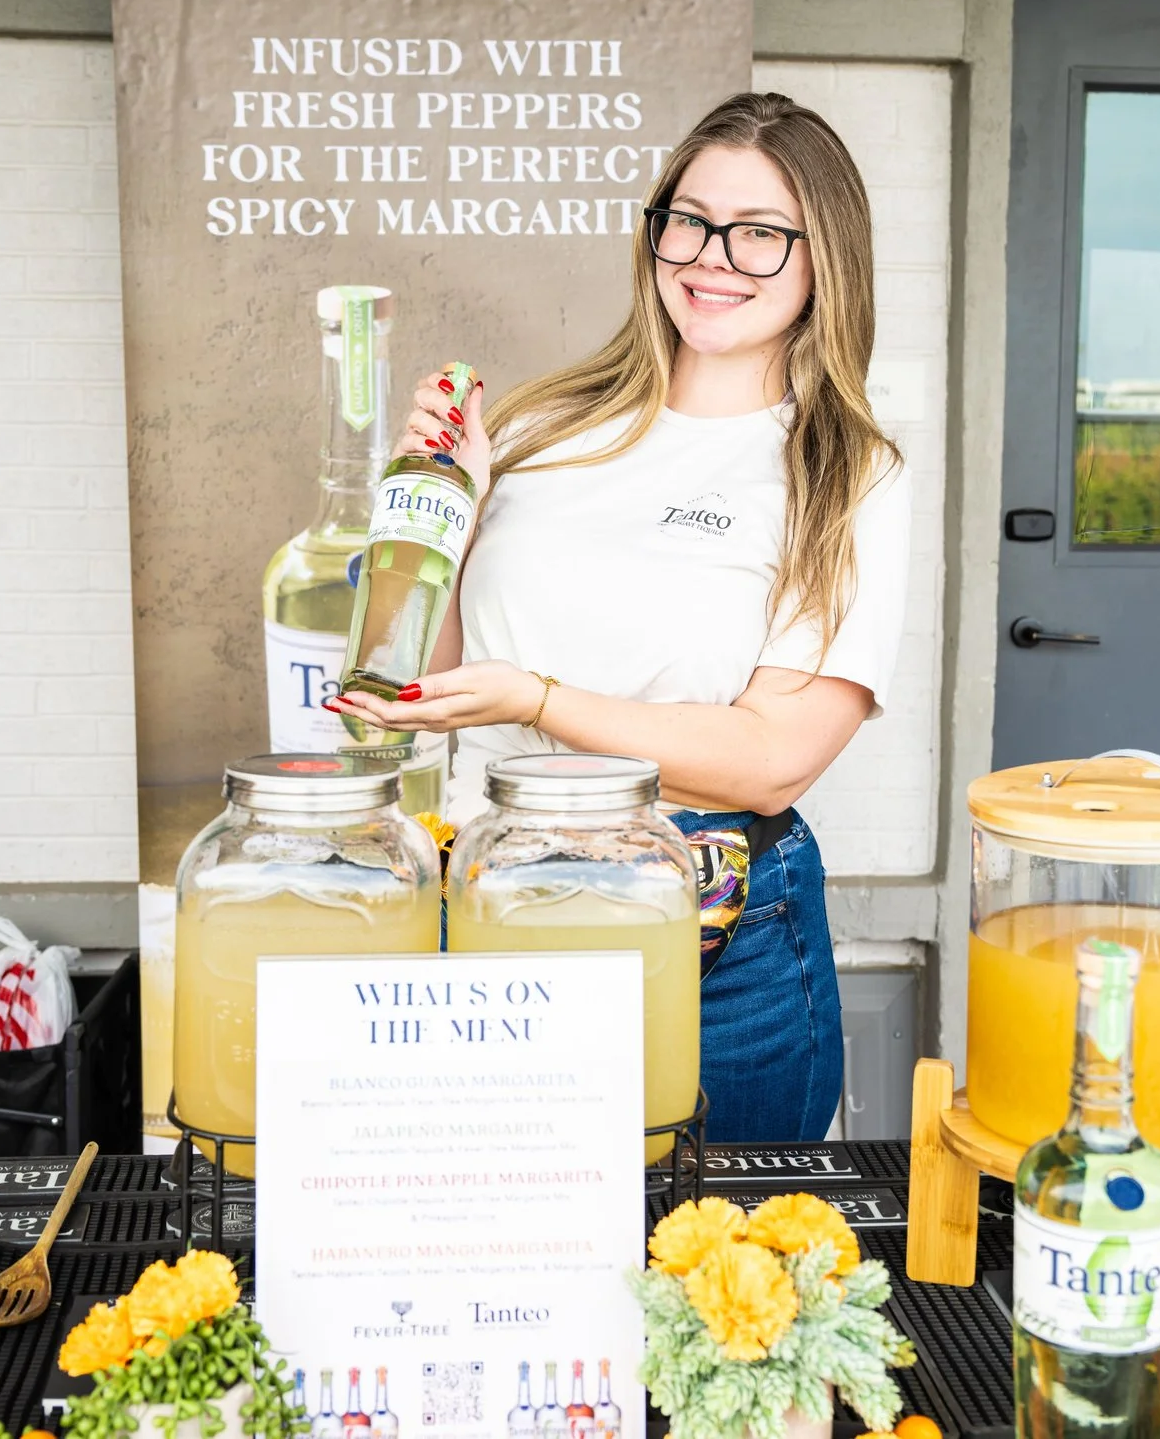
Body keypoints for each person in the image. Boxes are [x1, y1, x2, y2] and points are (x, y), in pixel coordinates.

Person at [328, 91, 913, 1144]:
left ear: (825, 256)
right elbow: (423, 680)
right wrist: (435, 513)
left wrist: (537, 701)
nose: (712, 257)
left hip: (712, 919)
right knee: (500, 1216)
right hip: (493, 888)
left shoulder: (842, 473)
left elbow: (772, 760)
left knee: (717, 1237)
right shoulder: (541, 426)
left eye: (760, 233)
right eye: (688, 220)